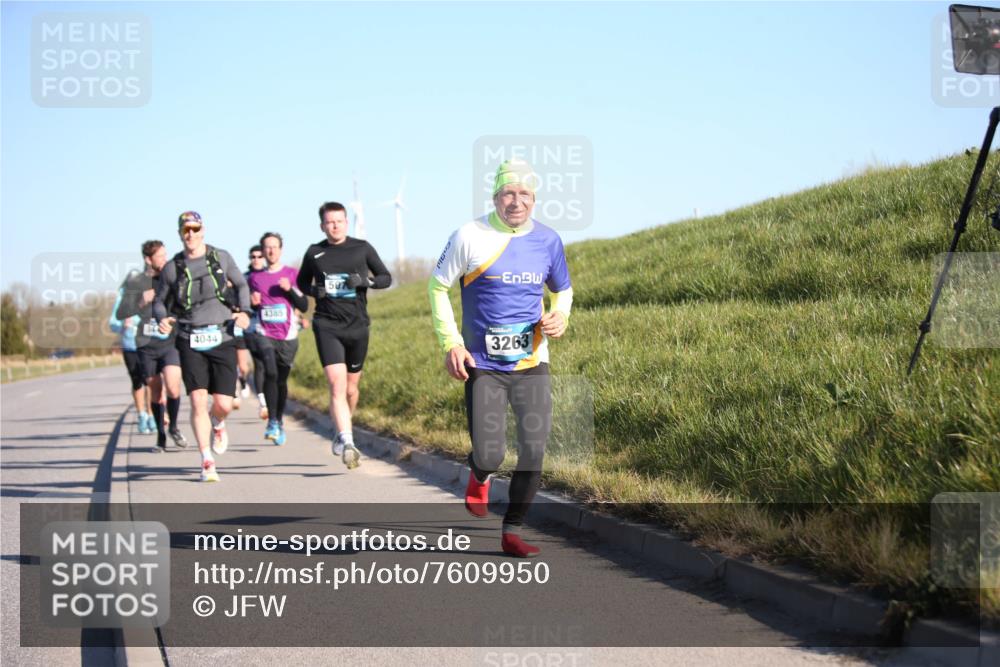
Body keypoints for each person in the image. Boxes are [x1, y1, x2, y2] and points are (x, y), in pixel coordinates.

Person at [428, 159, 573, 558]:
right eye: (509, 193)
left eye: (524, 193)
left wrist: (560, 315)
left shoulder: (548, 240)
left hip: (532, 362)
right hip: (483, 365)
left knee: (534, 449)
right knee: (491, 452)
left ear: (534, 199)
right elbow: (437, 287)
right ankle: (480, 473)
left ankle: (513, 530)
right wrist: (451, 343)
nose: (516, 201)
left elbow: (563, 290)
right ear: (495, 196)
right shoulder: (469, 236)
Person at [153, 211, 250, 482]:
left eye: (195, 228)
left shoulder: (221, 257)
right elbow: (159, 301)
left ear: (203, 230)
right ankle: (207, 461)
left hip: (222, 336)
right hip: (189, 338)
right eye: (186, 230)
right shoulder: (173, 267)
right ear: (180, 233)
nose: (191, 234)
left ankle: (218, 423)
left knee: (225, 403)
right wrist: (162, 318)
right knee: (197, 399)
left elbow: (241, 285)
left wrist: (245, 312)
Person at [296, 202, 392, 468]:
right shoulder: (315, 253)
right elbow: (302, 282)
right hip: (327, 325)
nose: (335, 226)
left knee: (351, 389)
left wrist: (366, 282)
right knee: (337, 385)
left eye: (339, 221)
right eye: (329, 222)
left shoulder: (361, 248)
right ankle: (348, 440)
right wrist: (316, 292)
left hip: (357, 326)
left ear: (346, 223)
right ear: (322, 226)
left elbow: (386, 277)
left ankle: (342, 428)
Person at [115, 240, 188, 452]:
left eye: (166, 255)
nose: (165, 260)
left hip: (169, 343)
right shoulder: (136, 282)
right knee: (156, 392)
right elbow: (121, 313)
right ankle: (161, 435)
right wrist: (140, 302)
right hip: (146, 345)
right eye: (160, 256)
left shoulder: (171, 278)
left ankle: (173, 427)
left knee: (174, 387)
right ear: (148, 259)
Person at [248, 232, 308, 445]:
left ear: (281, 249)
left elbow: (304, 306)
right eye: (267, 247)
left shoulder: (292, 274)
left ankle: (278, 420)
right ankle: (272, 421)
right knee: (270, 372)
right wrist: (251, 302)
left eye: (275, 247)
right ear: (263, 251)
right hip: (264, 333)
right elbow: (246, 308)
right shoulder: (254, 278)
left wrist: (289, 289)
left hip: (288, 336)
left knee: (281, 381)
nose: (271, 251)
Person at [109, 286, 152, 434]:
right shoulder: (122, 299)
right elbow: (113, 323)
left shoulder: (147, 294)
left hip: (147, 344)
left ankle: (151, 414)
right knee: (137, 381)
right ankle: (141, 415)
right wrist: (122, 325)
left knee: (150, 380)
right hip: (129, 346)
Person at [243, 245, 275, 421]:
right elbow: (235, 300)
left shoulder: (270, 276)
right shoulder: (245, 278)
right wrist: (248, 302)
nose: (256, 259)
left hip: (273, 327)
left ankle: (272, 398)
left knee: (273, 366)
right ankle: (263, 402)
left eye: (259, 256)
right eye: (252, 256)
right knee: (259, 364)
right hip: (252, 326)